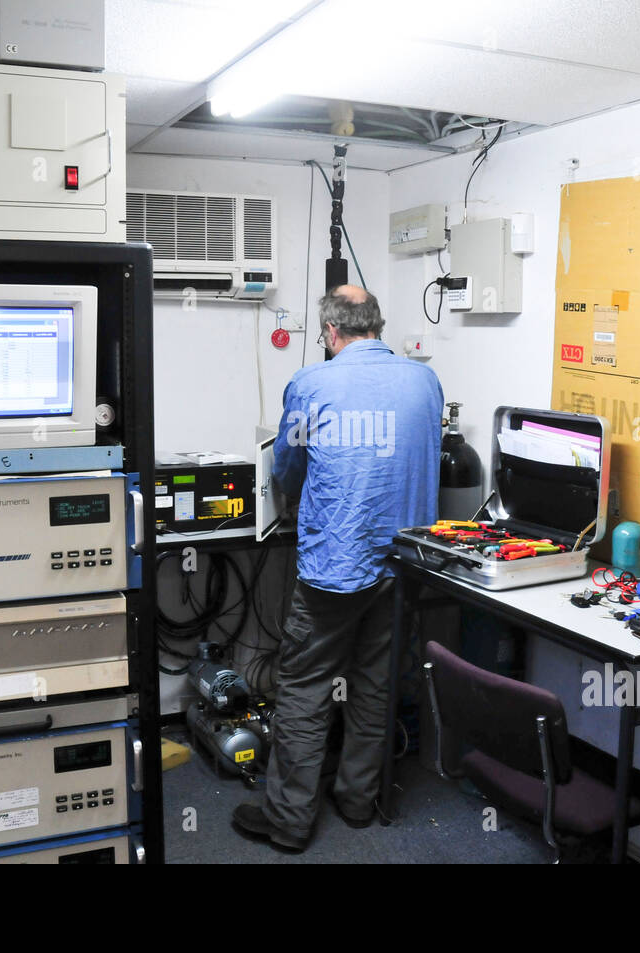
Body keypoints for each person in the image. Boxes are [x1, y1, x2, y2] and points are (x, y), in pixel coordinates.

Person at [232, 284, 443, 851]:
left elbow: (288, 463)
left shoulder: (313, 383)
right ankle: (357, 799)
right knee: (375, 685)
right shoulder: (425, 379)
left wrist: (286, 499)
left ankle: (288, 821)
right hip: (404, 565)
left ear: (330, 333)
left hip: (336, 565)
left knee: (304, 689)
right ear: (376, 323)